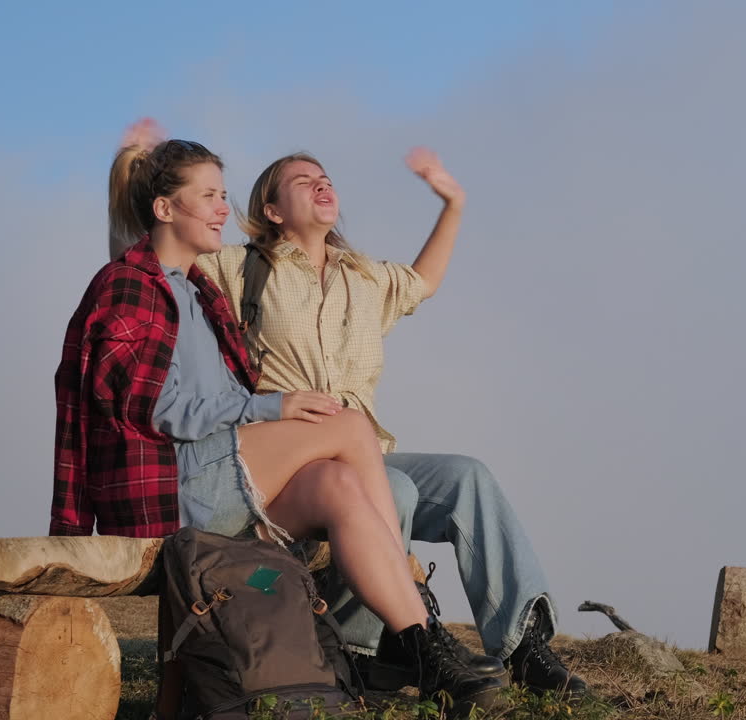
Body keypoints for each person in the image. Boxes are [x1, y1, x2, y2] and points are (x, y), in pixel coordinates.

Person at [51, 137, 503, 717]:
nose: (222, 208)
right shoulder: (134, 285)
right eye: (209, 196)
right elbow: (151, 409)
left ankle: (419, 647)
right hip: (167, 486)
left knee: (339, 487)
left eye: (223, 194)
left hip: (210, 473)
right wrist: (271, 408)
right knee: (349, 430)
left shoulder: (198, 293)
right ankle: (422, 632)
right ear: (166, 209)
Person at [194, 148, 588, 696]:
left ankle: (524, 646)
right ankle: (366, 650)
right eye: (303, 182)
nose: (321, 186)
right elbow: (163, 256)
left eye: (325, 179)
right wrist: (140, 172)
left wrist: (454, 203)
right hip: (293, 458)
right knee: (397, 490)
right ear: (274, 210)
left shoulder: (365, 277)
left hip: (365, 449)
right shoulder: (242, 268)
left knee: (467, 476)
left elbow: (423, 280)